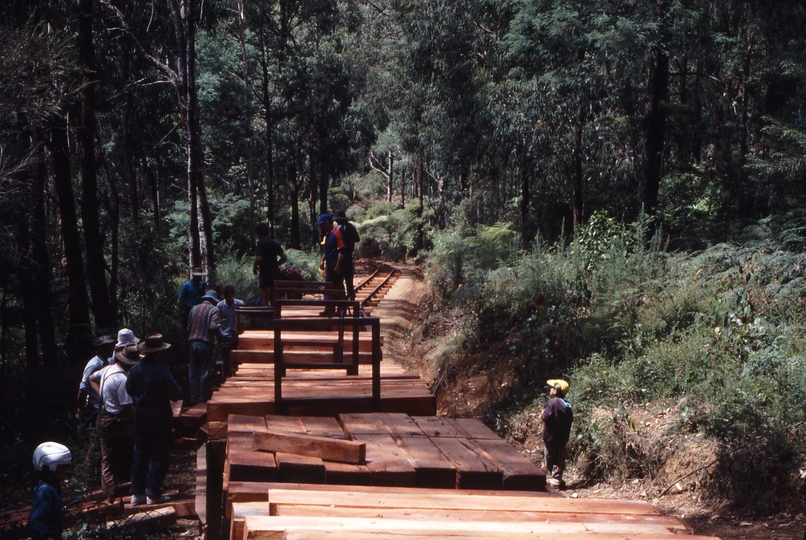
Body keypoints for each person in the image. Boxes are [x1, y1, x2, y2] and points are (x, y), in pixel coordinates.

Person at [126, 334, 182, 505]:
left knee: (140, 454)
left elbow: (130, 389)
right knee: (158, 455)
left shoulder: (135, 369)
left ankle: (137, 493)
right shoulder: (161, 370)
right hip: (159, 417)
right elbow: (176, 393)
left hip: (141, 416)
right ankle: (153, 493)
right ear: (158, 352)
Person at [90, 344, 139, 500]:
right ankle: (140, 488)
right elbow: (128, 409)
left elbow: (92, 378)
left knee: (108, 460)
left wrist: (102, 396)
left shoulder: (107, 369)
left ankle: (109, 497)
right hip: (117, 421)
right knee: (142, 448)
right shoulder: (122, 379)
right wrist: (140, 423)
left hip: (103, 418)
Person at [27, 442, 71, 540]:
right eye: (61, 467)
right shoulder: (45, 490)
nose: (64, 470)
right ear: (50, 468)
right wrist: (46, 536)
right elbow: (35, 522)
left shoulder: (52, 485)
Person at [187, 290, 221, 404]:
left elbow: (188, 327)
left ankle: (193, 398)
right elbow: (213, 327)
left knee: (194, 372)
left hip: (193, 343)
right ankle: (202, 399)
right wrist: (221, 337)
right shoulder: (214, 309)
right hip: (206, 343)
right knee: (205, 372)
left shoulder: (194, 309)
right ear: (213, 301)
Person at [77, 335, 116, 426]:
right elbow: (82, 389)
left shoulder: (109, 362)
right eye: (108, 348)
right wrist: (81, 409)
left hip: (106, 407)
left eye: (112, 347)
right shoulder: (94, 365)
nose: (111, 350)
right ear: (100, 349)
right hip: (95, 408)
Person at [541, 379, 573, 488]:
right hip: (561, 438)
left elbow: (546, 417)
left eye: (552, 388)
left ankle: (555, 479)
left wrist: (542, 414)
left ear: (556, 391)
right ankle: (556, 478)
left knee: (549, 458)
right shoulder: (567, 405)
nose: (550, 389)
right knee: (559, 459)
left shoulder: (551, 403)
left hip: (550, 437)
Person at [316, 213, 346, 316]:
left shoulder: (337, 233)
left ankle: (340, 309)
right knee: (328, 287)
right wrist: (322, 260)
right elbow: (327, 249)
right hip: (329, 264)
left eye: (322, 224)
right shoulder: (328, 234)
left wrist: (338, 266)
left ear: (327, 223)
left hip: (335, 265)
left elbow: (342, 251)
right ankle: (329, 308)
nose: (321, 227)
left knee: (337, 287)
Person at [253, 222, 287, 306]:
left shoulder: (261, 243)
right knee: (273, 298)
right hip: (275, 273)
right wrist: (276, 264)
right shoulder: (274, 242)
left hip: (265, 273)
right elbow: (284, 258)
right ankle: (274, 317)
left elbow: (259, 258)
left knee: (264, 298)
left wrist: (254, 266)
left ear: (258, 233)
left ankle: (265, 318)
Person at [216, 284, 244, 380]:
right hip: (225, 336)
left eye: (230, 296)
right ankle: (225, 379)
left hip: (236, 336)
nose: (228, 298)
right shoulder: (219, 306)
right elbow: (218, 322)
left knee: (237, 359)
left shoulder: (240, 304)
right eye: (226, 296)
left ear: (233, 294)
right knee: (225, 359)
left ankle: (237, 377)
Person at [333, 210, 360, 301]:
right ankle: (351, 295)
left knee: (339, 278)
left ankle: (341, 296)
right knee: (349, 277)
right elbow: (357, 239)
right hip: (349, 255)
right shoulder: (352, 227)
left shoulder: (338, 229)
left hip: (340, 255)